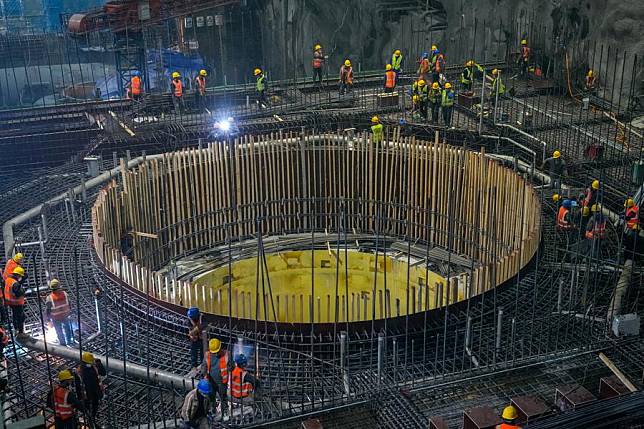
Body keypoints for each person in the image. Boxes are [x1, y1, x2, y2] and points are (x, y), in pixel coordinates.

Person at [76, 351, 106, 424]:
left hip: (95, 394)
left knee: (93, 412)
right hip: (87, 397)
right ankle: (91, 423)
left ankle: (92, 422)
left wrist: (99, 363)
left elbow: (103, 373)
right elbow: (78, 386)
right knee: (90, 414)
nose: (92, 363)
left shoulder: (93, 367)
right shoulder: (80, 372)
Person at [201, 338, 230, 412]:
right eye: (214, 352)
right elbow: (204, 367)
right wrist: (205, 375)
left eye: (217, 351)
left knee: (223, 398)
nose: (216, 354)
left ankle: (225, 412)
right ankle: (213, 411)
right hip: (211, 382)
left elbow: (232, 367)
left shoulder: (226, 355)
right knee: (211, 398)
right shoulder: (207, 355)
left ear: (220, 347)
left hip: (222, 382)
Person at [45, 279, 74, 346]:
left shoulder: (49, 298)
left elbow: (48, 310)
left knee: (59, 332)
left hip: (56, 318)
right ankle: (69, 342)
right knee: (67, 329)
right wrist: (70, 311)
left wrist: (48, 319)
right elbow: (70, 304)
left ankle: (63, 345)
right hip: (65, 316)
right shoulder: (65, 294)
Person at [4, 266, 26, 335]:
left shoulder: (8, 279)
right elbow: (18, 293)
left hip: (10, 302)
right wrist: (23, 290)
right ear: (18, 275)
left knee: (15, 316)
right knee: (20, 318)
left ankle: (16, 329)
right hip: (16, 303)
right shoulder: (15, 283)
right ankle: (20, 332)